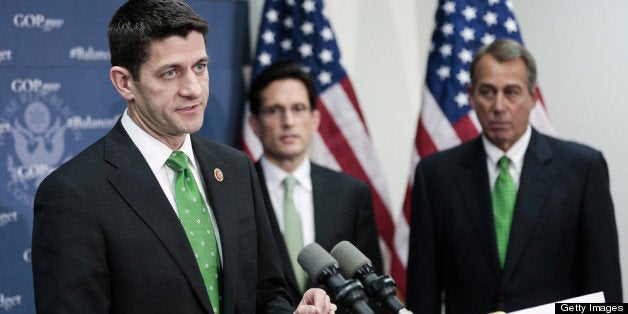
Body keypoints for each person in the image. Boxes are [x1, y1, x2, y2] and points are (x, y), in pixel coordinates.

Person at [31, 1, 336, 313]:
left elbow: (266, 293)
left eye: (200, 67)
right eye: (171, 73)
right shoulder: (74, 193)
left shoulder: (235, 168)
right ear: (125, 83)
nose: (193, 88)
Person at [406, 38, 622, 313]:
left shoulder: (582, 169)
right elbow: (423, 292)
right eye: (487, 92)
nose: (499, 106)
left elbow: (604, 288)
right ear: (471, 96)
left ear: (533, 97)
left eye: (511, 92)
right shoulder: (435, 176)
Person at [247, 60, 383, 306]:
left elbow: (369, 289)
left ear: (315, 120)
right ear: (255, 124)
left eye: (298, 108)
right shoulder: (238, 191)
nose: (288, 121)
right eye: (274, 110)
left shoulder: (351, 194)